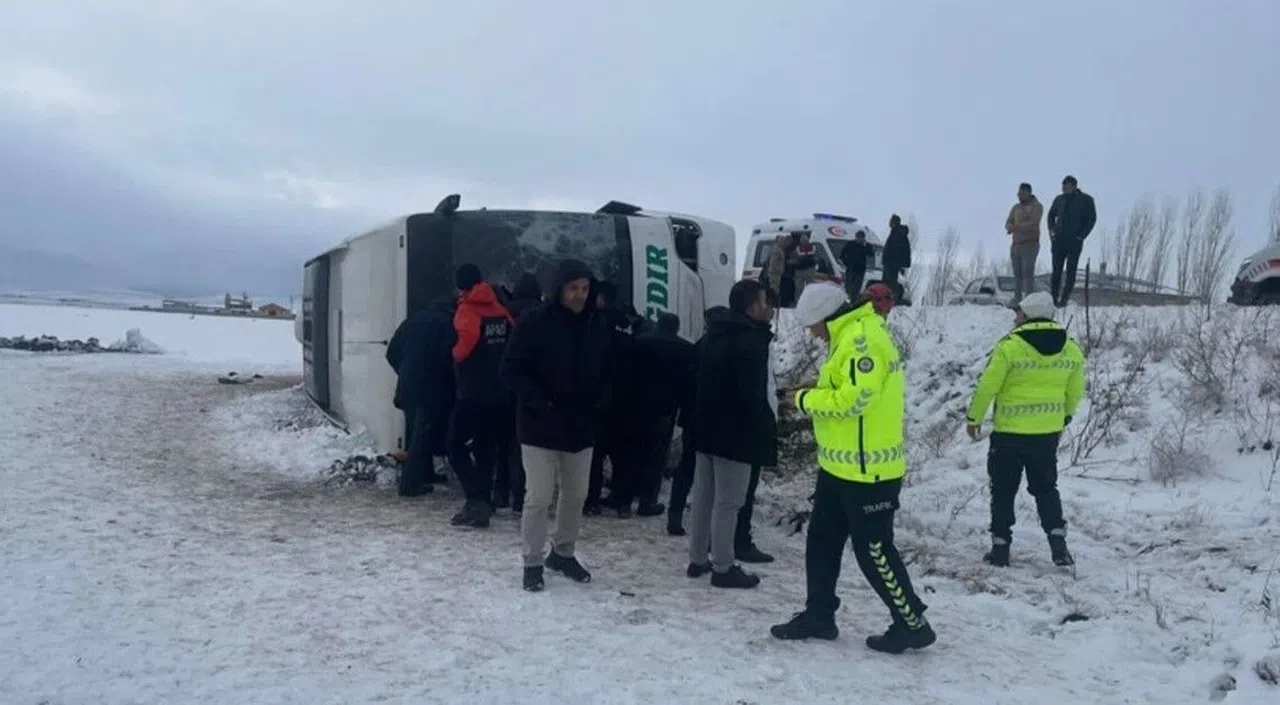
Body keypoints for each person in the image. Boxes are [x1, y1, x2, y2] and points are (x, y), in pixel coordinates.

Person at [771, 282, 936, 654]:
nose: (813, 335)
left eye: (814, 326)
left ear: (828, 318)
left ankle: (912, 622)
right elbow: (846, 386)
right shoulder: (846, 337)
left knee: (874, 550)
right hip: (838, 466)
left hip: (868, 473)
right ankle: (819, 615)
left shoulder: (863, 340)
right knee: (822, 541)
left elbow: (856, 399)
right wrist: (815, 388)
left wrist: (804, 398)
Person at [500, 258, 613, 592]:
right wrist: (540, 402)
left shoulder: (596, 324)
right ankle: (532, 561)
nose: (580, 295)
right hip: (539, 426)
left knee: (576, 495)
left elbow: (608, 368)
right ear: (558, 289)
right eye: (573, 288)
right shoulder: (534, 321)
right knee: (538, 496)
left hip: (581, 426)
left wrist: (603, 399)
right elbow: (510, 370)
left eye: (585, 288)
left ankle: (563, 553)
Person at [965, 291, 1085, 568]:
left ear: (1028, 315)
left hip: (1009, 434)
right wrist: (1064, 416)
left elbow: (988, 385)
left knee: (1003, 491)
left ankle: (1000, 550)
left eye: (1018, 313)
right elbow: (1076, 390)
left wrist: (975, 418)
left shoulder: (1010, 346)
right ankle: (1059, 546)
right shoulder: (1071, 347)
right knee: (1046, 488)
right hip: (1046, 435)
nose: (1015, 317)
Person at [686, 279, 777, 589]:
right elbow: (753, 395)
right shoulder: (752, 341)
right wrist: (762, 430)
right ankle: (723, 567)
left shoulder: (713, 335)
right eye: (766, 302)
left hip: (705, 429)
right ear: (752, 306)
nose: (770, 308)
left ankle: (697, 559)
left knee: (703, 498)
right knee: (729, 503)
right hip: (736, 435)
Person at [447, 264, 515, 528]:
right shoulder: (499, 309)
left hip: (473, 392)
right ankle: (483, 503)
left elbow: (463, 349)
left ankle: (476, 499)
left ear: (460, 285)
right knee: (486, 449)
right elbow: (513, 340)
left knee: (454, 442)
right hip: (501, 392)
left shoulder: (467, 310)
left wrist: (452, 353)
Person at [622, 311, 692, 516]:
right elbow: (688, 383)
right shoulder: (685, 349)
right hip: (665, 410)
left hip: (635, 407)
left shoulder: (639, 342)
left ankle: (624, 501)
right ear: (676, 328)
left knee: (631, 454)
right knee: (656, 458)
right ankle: (647, 502)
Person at [385, 297, 455, 496]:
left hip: (408, 386)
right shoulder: (447, 324)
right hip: (431, 388)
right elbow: (449, 357)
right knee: (422, 435)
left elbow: (391, 352)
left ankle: (425, 474)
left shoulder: (412, 321)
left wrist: (404, 371)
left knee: (416, 432)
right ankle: (409, 485)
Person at [586, 280, 643, 516]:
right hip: (625, 401)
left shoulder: (594, 329)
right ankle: (622, 501)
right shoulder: (628, 333)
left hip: (599, 402)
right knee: (623, 456)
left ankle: (591, 500)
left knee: (595, 455)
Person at [495, 272, 545, 513]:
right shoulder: (544, 315)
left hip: (502, 386)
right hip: (531, 389)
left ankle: (500, 493)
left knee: (502, 442)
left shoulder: (503, 311)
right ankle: (520, 496)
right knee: (523, 446)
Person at [1046, 175, 1097, 308]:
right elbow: (1051, 216)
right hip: (1058, 241)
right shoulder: (1059, 199)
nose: (1064, 189)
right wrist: (1052, 231)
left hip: (1074, 241)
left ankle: (1064, 299)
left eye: (1066, 186)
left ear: (1074, 186)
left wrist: (1081, 236)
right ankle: (1053, 298)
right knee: (1056, 270)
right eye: (1063, 186)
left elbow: (1091, 219)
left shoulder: (1086, 200)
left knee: (1071, 270)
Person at [1005, 182, 1045, 305]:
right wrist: (1010, 226)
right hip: (1016, 244)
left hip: (1030, 244)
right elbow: (1008, 223)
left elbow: (1033, 223)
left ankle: (1028, 300)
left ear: (1028, 193)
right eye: (1018, 193)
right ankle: (1017, 299)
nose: (1019, 195)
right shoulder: (1015, 208)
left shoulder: (1036, 206)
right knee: (1017, 275)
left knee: (1028, 274)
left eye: (1022, 193)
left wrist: (1016, 227)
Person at [881, 215, 912, 303]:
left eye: (891, 221)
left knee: (889, 283)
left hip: (892, 263)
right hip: (890, 262)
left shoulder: (898, 233)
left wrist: (892, 259)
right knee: (887, 282)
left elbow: (899, 249)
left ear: (894, 222)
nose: (889, 223)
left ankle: (889, 300)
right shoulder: (895, 232)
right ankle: (887, 299)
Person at [837, 230, 874, 300]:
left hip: (860, 270)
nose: (859, 239)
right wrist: (847, 263)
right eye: (858, 237)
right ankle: (846, 300)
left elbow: (871, 254)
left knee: (856, 289)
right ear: (856, 237)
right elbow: (842, 255)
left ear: (863, 238)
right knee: (848, 288)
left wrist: (866, 246)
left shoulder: (866, 245)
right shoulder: (850, 244)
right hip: (851, 269)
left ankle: (853, 301)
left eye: (861, 238)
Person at [792, 231, 818, 301]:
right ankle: (799, 302)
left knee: (811, 287)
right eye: (803, 240)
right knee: (799, 289)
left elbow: (814, 257)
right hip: (800, 271)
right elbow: (794, 258)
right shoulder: (798, 248)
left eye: (805, 240)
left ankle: (811, 301)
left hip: (808, 270)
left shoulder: (812, 247)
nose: (804, 241)